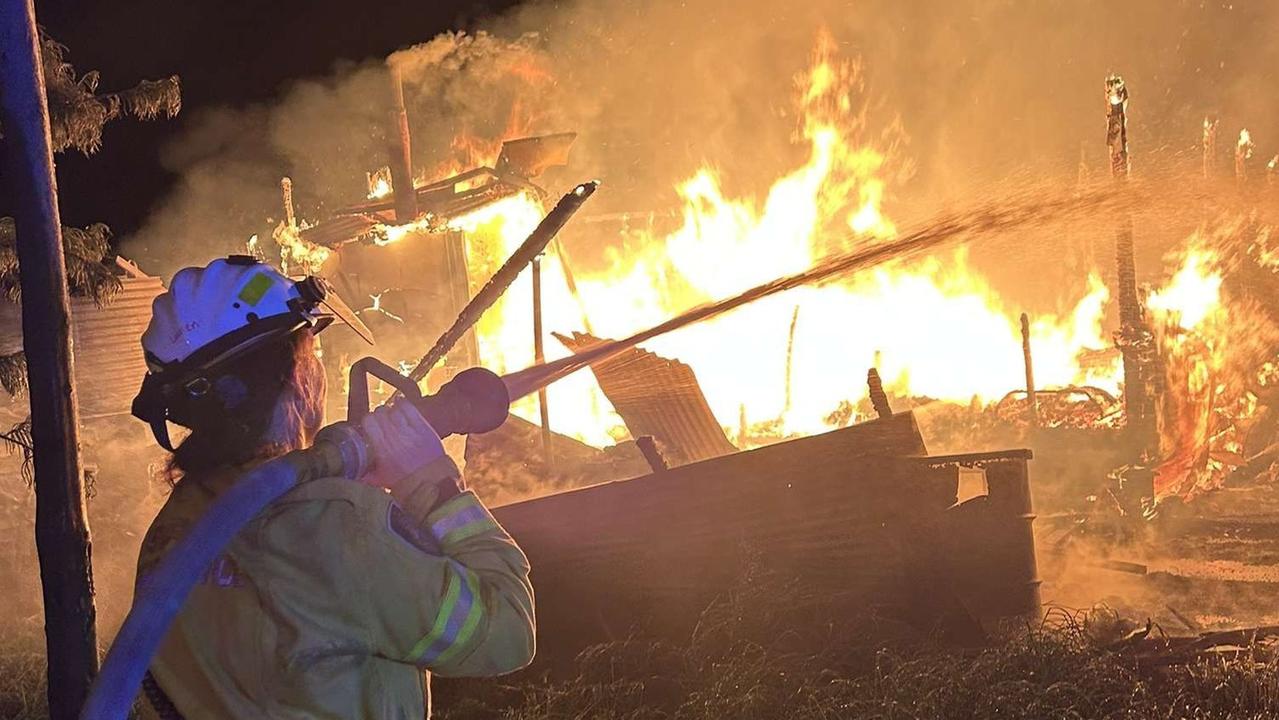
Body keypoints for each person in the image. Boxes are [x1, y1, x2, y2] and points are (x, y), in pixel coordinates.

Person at [130, 256, 534, 718]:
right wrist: (432, 483)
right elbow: (507, 631)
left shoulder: (175, 529)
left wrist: (336, 489)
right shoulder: (338, 529)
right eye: (312, 351)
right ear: (293, 376)